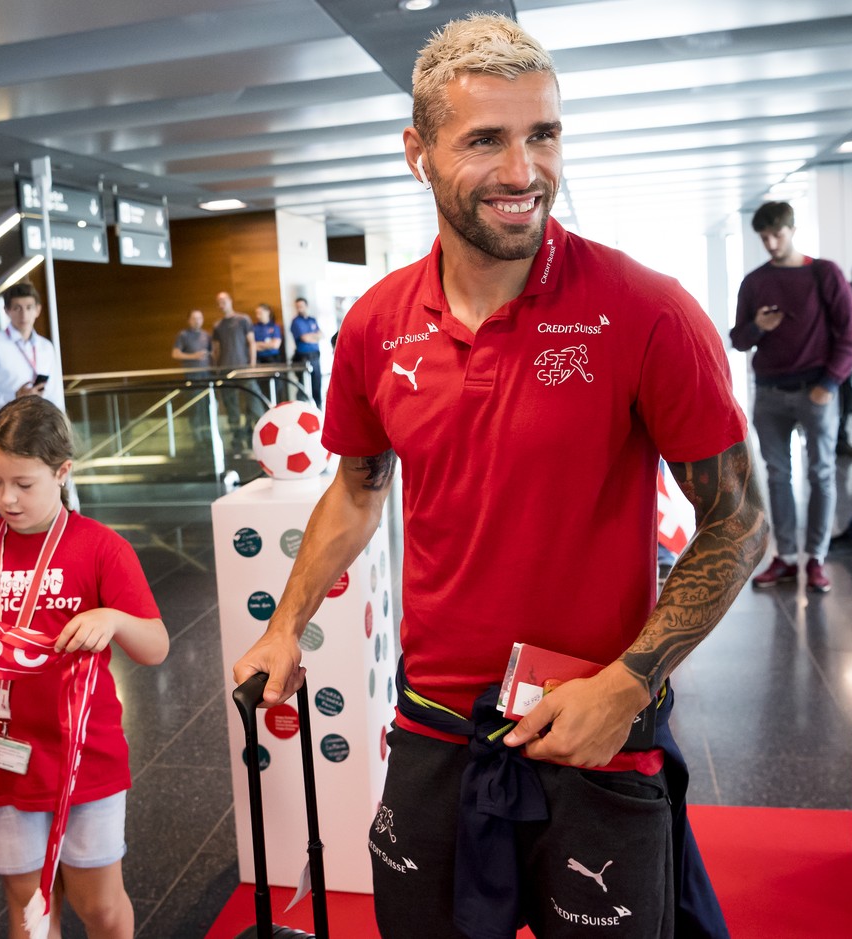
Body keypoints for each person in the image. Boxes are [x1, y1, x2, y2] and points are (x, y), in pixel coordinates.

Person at [232, 16, 767, 939]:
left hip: (598, 733)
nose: (524, 171)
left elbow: (741, 523)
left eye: (543, 135)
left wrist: (628, 686)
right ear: (419, 152)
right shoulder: (374, 325)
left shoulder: (645, 309)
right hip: (437, 730)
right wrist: (286, 625)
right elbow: (358, 488)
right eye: (486, 140)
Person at [0, 396, 168, 939]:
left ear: (63, 473)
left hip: (85, 752)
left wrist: (113, 618)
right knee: (27, 904)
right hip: (0, 751)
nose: (6, 499)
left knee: (99, 903)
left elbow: (155, 646)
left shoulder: (101, 548)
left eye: (23, 483)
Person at [730, 201, 852, 593]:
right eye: (764, 237)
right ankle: (785, 557)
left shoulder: (824, 273)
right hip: (769, 391)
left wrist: (829, 384)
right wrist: (759, 326)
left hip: (816, 391)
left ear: (791, 229)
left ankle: (816, 558)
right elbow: (738, 339)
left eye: (777, 234)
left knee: (821, 473)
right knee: (777, 475)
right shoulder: (755, 282)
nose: (771, 243)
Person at [0, 282, 66, 430]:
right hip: (5, 430)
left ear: (37, 310)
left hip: (42, 429)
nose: (24, 314)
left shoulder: (46, 347)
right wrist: (14, 398)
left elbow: (56, 394)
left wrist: (62, 426)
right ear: (7, 311)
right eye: (17, 308)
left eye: (29, 307)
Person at [211, 291, 257, 453]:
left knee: (253, 403)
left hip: (244, 368)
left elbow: (251, 342)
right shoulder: (217, 325)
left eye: (223, 300)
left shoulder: (243, 319)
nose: (221, 303)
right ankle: (237, 437)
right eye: (218, 301)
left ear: (230, 301)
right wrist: (217, 369)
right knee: (232, 407)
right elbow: (216, 349)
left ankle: (253, 433)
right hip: (225, 370)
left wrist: (252, 364)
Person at [170, 309, 213, 447]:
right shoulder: (183, 335)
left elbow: (212, 352)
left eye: (200, 318)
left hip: (206, 376)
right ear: (189, 320)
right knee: (195, 407)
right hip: (192, 377)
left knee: (207, 407)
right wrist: (193, 356)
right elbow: (175, 354)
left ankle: (208, 435)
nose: (197, 321)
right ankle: (197, 437)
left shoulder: (206, 335)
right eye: (194, 318)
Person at [289, 297, 324, 406]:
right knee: (303, 384)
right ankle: (302, 407)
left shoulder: (312, 320)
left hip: (315, 355)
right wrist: (314, 336)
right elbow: (305, 338)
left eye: (301, 306)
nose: (299, 309)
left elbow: (321, 335)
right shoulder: (296, 322)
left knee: (317, 383)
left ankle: (318, 407)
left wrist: (312, 337)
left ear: (306, 306)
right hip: (303, 357)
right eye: (297, 307)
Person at [253, 302, 284, 408]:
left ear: (267, 312)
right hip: (260, 360)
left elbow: (275, 345)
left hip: (273, 360)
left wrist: (260, 344)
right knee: (263, 388)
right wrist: (267, 344)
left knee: (277, 387)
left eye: (260, 313)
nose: (258, 315)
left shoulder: (274, 327)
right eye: (256, 313)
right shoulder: (255, 328)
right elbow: (253, 346)